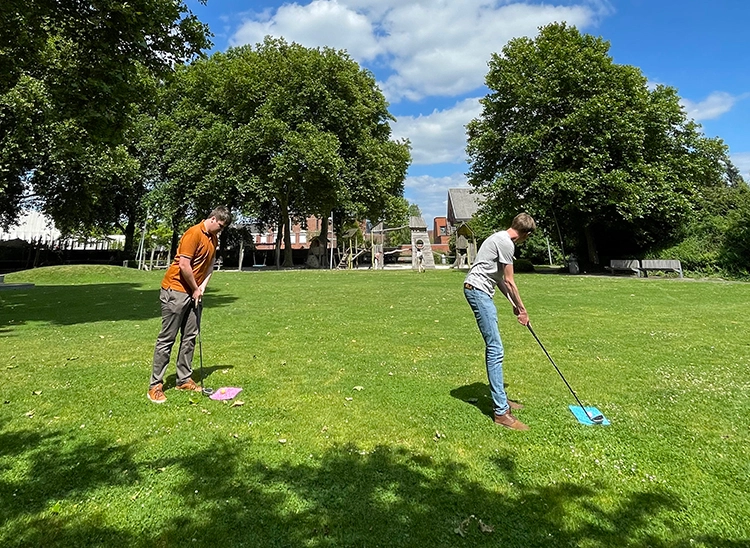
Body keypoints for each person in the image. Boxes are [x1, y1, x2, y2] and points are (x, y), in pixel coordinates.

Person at [147, 206, 232, 403]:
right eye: (219, 226)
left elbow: (210, 265)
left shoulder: (213, 238)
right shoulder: (193, 233)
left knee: (190, 336)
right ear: (212, 218)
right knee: (167, 338)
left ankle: (183, 379)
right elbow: (184, 265)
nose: (220, 230)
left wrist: (201, 288)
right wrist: (194, 288)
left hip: (194, 292)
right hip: (175, 290)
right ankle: (155, 386)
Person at [463, 213, 536, 430]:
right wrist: (523, 310)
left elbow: (498, 279)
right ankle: (501, 412)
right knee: (495, 349)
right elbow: (510, 281)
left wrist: (512, 304)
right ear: (526, 234)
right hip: (478, 291)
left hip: (478, 289)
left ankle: (501, 400)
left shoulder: (498, 238)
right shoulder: (506, 244)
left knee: (496, 348)